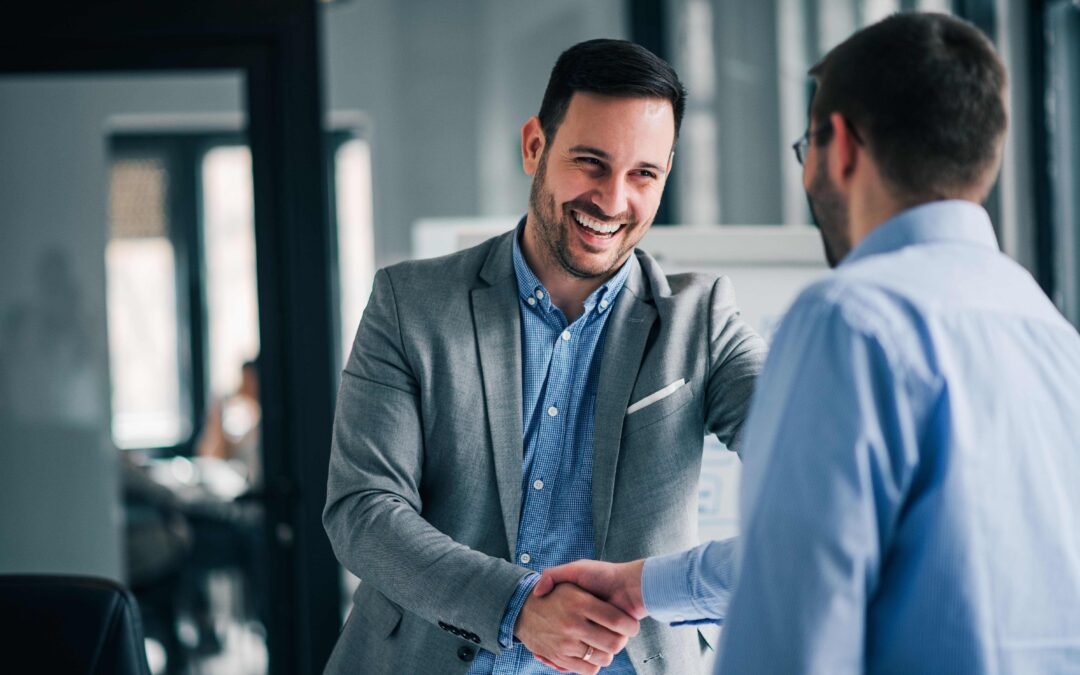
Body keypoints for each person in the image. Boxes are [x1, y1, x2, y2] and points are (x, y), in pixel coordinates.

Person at [535, 12, 1080, 674]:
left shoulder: (851, 318)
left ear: (841, 145)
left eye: (806, 147)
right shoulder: (1051, 333)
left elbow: (792, 612)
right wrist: (643, 585)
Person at [322, 39, 766, 675]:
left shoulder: (702, 321)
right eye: (591, 163)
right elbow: (363, 510)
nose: (613, 201)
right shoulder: (411, 304)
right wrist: (517, 607)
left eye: (644, 174)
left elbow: (816, 469)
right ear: (535, 146)